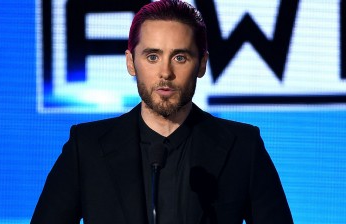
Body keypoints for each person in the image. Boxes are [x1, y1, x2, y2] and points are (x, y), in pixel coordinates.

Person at [31, 0, 293, 223]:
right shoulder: (86, 147)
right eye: (152, 57)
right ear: (131, 63)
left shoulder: (242, 147)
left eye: (180, 57)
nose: (165, 73)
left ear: (201, 64)